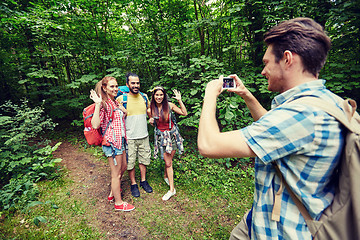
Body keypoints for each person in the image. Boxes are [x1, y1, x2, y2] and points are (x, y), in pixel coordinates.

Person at [197, 17, 345, 239]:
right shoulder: (324, 103)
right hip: (263, 217)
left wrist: (210, 94)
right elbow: (278, 131)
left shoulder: (302, 115)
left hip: (282, 230)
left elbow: (209, 145)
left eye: (266, 63)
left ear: (287, 59)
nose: (263, 71)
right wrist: (247, 96)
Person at [89, 76, 135, 212]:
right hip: (112, 143)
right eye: (112, 87)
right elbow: (95, 124)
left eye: (116, 86)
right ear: (104, 88)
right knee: (116, 174)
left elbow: (123, 115)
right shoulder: (104, 104)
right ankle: (118, 203)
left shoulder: (114, 102)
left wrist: (122, 109)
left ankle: (112, 193)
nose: (115, 89)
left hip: (121, 140)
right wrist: (97, 104)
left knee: (123, 167)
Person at [117, 72, 153, 198]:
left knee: (144, 159)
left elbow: (148, 111)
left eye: (137, 83)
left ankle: (143, 181)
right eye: (133, 83)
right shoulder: (121, 99)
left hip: (144, 135)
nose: (136, 85)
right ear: (127, 84)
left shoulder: (144, 97)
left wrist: (151, 118)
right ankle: (133, 184)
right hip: (129, 137)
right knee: (130, 162)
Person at [148, 86, 187, 201]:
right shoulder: (150, 109)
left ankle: (166, 176)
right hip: (161, 137)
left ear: (164, 96)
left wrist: (179, 100)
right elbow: (153, 122)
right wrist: (151, 121)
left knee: (169, 161)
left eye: (161, 95)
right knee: (168, 162)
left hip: (173, 135)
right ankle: (172, 190)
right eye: (157, 95)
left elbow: (184, 113)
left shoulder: (169, 106)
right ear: (153, 96)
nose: (159, 97)